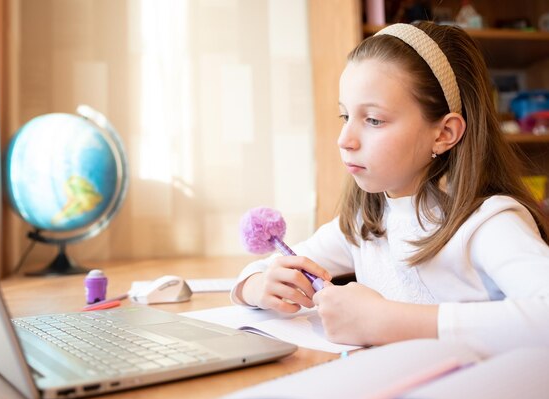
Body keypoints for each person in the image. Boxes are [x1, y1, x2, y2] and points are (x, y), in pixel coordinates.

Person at [230, 21, 549, 356]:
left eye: (374, 120)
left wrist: (385, 321)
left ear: (443, 134)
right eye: (345, 116)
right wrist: (258, 288)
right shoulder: (364, 223)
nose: (345, 140)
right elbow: (257, 272)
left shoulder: (488, 223)